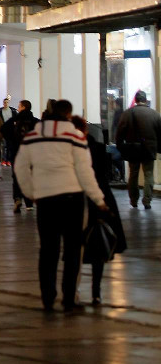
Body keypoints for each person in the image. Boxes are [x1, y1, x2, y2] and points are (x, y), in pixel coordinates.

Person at [15, 100, 108, 311]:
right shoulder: (75, 137)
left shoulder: (32, 137)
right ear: (68, 115)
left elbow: (20, 168)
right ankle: (68, 299)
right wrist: (98, 199)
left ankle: (48, 298)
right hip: (72, 199)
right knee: (74, 249)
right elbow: (85, 172)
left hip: (46, 200)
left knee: (48, 250)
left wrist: (31, 193)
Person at [72, 116, 126, 306]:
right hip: (99, 200)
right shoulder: (98, 148)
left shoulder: (70, 149)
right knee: (98, 247)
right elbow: (102, 176)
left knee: (75, 249)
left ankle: (73, 291)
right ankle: (96, 292)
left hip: (78, 200)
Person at [116, 90, 161, 209]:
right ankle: (147, 201)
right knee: (149, 174)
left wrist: (121, 147)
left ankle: (133, 200)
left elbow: (120, 133)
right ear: (146, 100)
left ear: (135, 100)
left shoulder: (127, 114)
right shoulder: (155, 114)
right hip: (149, 148)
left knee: (133, 174)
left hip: (133, 148)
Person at [2, 100, 36, 212]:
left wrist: (11, 140)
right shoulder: (35, 121)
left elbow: (3, 129)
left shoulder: (14, 120)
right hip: (31, 154)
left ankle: (17, 198)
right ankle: (29, 203)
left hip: (17, 153)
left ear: (23, 107)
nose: (18, 108)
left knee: (17, 177)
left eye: (19, 106)